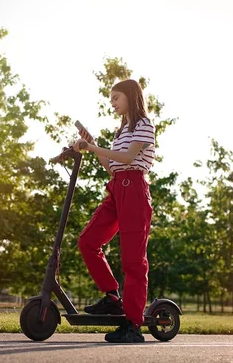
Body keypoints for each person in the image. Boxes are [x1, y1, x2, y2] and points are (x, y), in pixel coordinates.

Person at [72, 79, 155, 343]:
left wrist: (92, 147)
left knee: (132, 261)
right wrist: (93, 144)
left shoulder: (144, 125)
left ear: (131, 96)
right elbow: (113, 165)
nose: (112, 102)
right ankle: (112, 297)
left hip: (134, 191)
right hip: (117, 188)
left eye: (116, 97)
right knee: (88, 241)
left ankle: (133, 326)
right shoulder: (120, 132)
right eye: (111, 98)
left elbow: (129, 159)